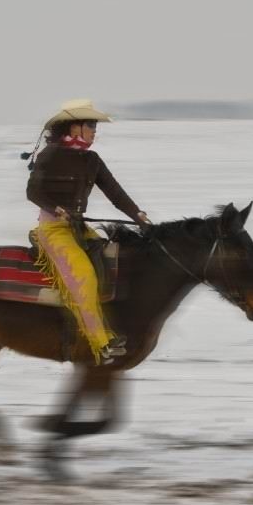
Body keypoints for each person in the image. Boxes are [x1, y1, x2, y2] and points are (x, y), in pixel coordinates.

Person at [26, 99, 152, 365]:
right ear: (73, 128)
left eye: (95, 125)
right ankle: (102, 342)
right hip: (53, 230)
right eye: (90, 125)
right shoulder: (49, 156)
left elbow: (115, 192)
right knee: (82, 276)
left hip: (79, 229)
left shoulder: (92, 159)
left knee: (116, 259)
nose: (95, 131)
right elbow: (32, 192)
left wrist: (137, 215)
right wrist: (56, 209)